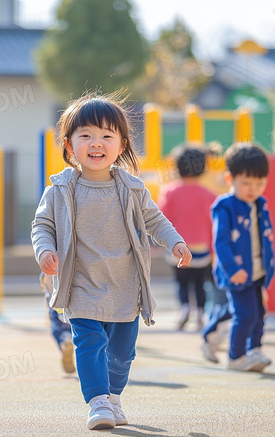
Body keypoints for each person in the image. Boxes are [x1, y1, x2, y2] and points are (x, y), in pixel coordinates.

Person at [31, 92, 191, 430]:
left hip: (124, 287)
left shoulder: (132, 188)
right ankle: (97, 401)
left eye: (107, 135)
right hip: (80, 285)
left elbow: (154, 220)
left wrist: (174, 242)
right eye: (85, 135)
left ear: (121, 144)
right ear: (70, 144)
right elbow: (42, 225)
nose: (96, 143)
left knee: (122, 354)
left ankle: (113, 396)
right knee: (89, 343)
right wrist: (45, 250)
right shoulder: (59, 189)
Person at [209, 142, 275, 372]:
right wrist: (232, 268)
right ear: (230, 179)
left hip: (257, 270)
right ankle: (236, 357)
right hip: (236, 270)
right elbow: (221, 242)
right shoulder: (225, 206)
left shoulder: (260, 204)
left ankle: (254, 349)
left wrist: (268, 268)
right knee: (245, 315)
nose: (253, 188)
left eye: (260, 183)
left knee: (258, 314)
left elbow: (265, 237)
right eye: (246, 183)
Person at [158, 146, 218, 331]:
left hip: (177, 247)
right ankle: (200, 311)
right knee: (200, 282)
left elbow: (161, 217)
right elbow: (213, 225)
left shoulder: (170, 191)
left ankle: (184, 307)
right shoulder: (209, 195)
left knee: (181, 282)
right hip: (201, 249)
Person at [40, 272, 75, 374]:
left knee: (56, 329)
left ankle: (64, 344)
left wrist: (52, 297)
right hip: (72, 301)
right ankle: (68, 342)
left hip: (55, 303)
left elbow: (47, 277)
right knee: (76, 327)